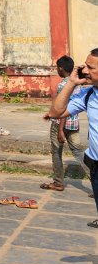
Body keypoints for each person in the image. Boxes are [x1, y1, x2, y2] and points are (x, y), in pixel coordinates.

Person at [49, 49, 98, 228]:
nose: (84, 71)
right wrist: (70, 82)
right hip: (95, 166)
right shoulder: (88, 94)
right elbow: (56, 112)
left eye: (90, 67)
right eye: (85, 66)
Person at [42, 55, 84, 192]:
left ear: (61, 69)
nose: (57, 71)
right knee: (79, 153)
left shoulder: (63, 85)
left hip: (61, 124)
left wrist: (60, 130)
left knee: (56, 152)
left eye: (57, 68)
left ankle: (58, 183)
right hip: (74, 123)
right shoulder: (77, 84)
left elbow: (63, 108)